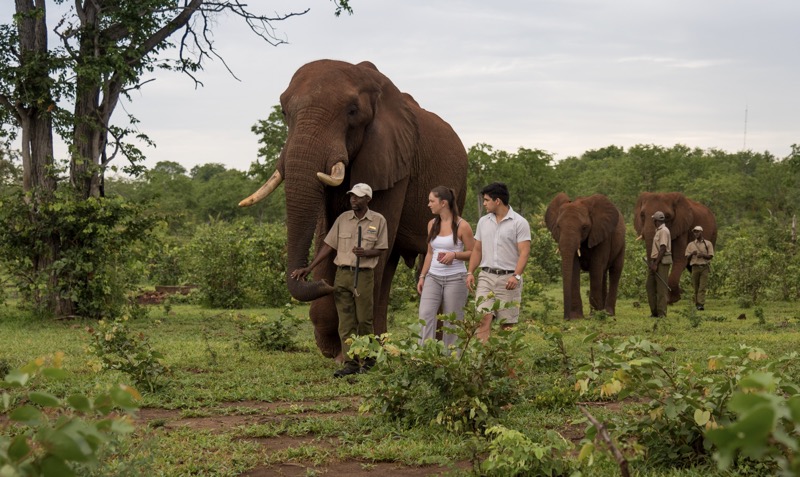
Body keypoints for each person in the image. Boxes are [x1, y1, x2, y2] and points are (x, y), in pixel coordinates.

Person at [290, 183, 388, 377]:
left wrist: (366, 252)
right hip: (342, 274)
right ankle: (351, 363)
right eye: (352, 196)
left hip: (364, 275)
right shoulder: (343, 219)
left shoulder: (378, 220)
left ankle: (369, 361)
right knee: (345, 321)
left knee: (364, 320)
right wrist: (309, 267)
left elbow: (382, 248)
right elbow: (328, 246)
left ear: (368, 199)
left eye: (358, 197)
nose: (353, 199)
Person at [466, 182, 531, 341]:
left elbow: (524, 252)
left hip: (508, 278)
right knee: (483, 319)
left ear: (498, 201)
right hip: (486, 277)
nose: (484, 203)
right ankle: (483, 362)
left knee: (506, 325)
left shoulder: (519, 222)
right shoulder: (483, 222)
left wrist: (516, 276)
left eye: (487, 200)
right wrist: (470, 272)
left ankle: (506, 363)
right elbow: (477, 249)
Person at [416, 186, 475, 348]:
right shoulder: (431, 224)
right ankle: (424, 359)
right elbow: (429, 253)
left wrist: (454, 255)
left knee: (452, 320)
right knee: (425, 315)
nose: (428, 204)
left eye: (431, 201)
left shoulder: (462, 226)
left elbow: (473, 252)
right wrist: (422, 276)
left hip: (456, 278)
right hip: (433, 277)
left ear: (443, 203)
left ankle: (451, 363)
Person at [646, 211, 672, 318]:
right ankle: (654, 312)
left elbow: (663, 248)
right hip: (655, 262)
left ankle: (661, 313)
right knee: (649, 286)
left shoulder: (664, 231)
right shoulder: (658, 231)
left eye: (653, 220)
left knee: (661, 288)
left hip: (661, 262)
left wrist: (656, 263)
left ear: (655, 221)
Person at [685, 225, 714, 311]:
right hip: (694, 267)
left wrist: (703, 255)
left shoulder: (708, 243)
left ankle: (700, 304)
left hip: (704, 267)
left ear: (701, 232)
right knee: (696, 287)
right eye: (695, 232)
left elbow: (710, 256)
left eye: (698, 231)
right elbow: (686, 257)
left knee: (702, 287)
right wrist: (691, 254)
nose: (696, 233)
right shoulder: (690, 245)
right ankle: (697, 303)